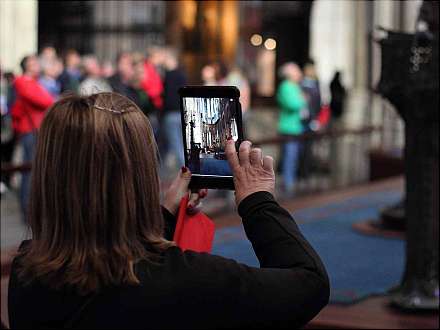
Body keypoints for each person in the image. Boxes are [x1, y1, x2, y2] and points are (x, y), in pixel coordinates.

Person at [8, 92, 329, 328]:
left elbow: (107, 264)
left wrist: (162, 216)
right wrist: (258, 201)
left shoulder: (26, 271)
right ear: (143, 172)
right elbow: (308, 284)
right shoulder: (189, 281)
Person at [11, 55, 55, 219]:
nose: (37, 65)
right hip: (29, 130)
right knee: (29, 171)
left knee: (33, 170)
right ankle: (27, 211)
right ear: (27, 66)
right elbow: (45, 100)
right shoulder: (23, 81)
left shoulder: (33, 81)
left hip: (35, 129)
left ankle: (31, 210)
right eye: (34, 63)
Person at [277, 62, 307, 194]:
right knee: (289, 156)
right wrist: (303, 99)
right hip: (288, 128)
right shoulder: (286, 87)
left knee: (294, 156)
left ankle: (291, 181)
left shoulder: (295, 86)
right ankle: (288, 183)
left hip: (297, 127)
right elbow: (293, 104)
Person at [162, 47, 187, 167]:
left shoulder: (168, 76)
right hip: (181, 112)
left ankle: (187, 169)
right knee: (181, 144)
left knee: (176, 144)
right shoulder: (182, 75)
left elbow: (166, 97)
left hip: (171, 113)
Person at [141, 46, 164, 111]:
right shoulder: (145, 68)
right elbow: (145, 85)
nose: (159, 59)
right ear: (151, 57)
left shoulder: (153, 68)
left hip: (156, 103)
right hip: (151, 103)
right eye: (158, 57)